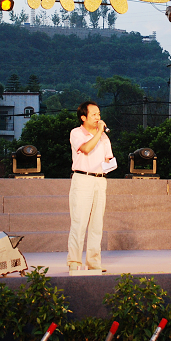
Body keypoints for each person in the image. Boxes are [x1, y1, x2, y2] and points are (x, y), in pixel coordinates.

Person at [67, 101, 114, 272]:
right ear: (83, 117)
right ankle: (74, 262)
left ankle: (94, 263)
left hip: (100, 180)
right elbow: (86, 148)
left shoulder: (104, 138)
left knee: (97, 224)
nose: (97, 117)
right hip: (83, 179)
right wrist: (99, 132)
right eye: (93, 114)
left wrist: (109, 164)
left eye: (99, 114)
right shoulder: (76, 133)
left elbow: (108, 159)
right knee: (79, 222)